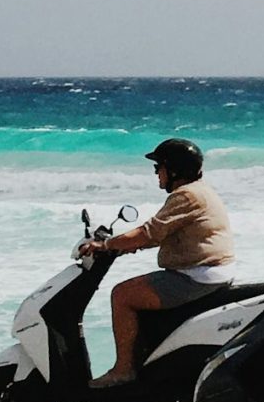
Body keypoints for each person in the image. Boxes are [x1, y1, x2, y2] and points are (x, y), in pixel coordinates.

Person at [81, 136, 236, 388]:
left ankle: (123, 371)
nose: (156, 174)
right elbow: (161, 233)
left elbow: (148, 232)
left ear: (174, 170)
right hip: (207, 271)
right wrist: (127, 246)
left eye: (158, 168)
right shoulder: (201, 191)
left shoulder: (186, 196)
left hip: (196, 276)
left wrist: (106, 245)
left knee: (122, 295)